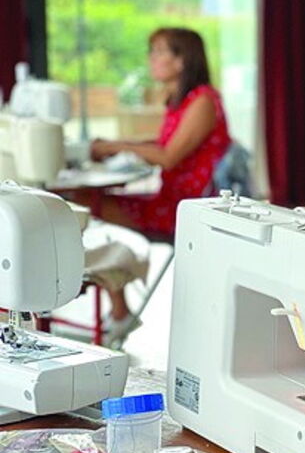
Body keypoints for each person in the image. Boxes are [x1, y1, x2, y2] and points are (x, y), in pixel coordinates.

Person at [87, 27, 231, 336]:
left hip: (187, 208)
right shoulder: (183, 100)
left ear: (181, 61)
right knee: (89, 205)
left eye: (159, 52)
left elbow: (167, 156)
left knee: (88, 204)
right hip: (174, 199)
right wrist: (119, 143)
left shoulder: (203, 100)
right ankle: (118, 297)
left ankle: (116, 299)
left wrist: (114, 147)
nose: (152, 59)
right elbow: (163, 142)